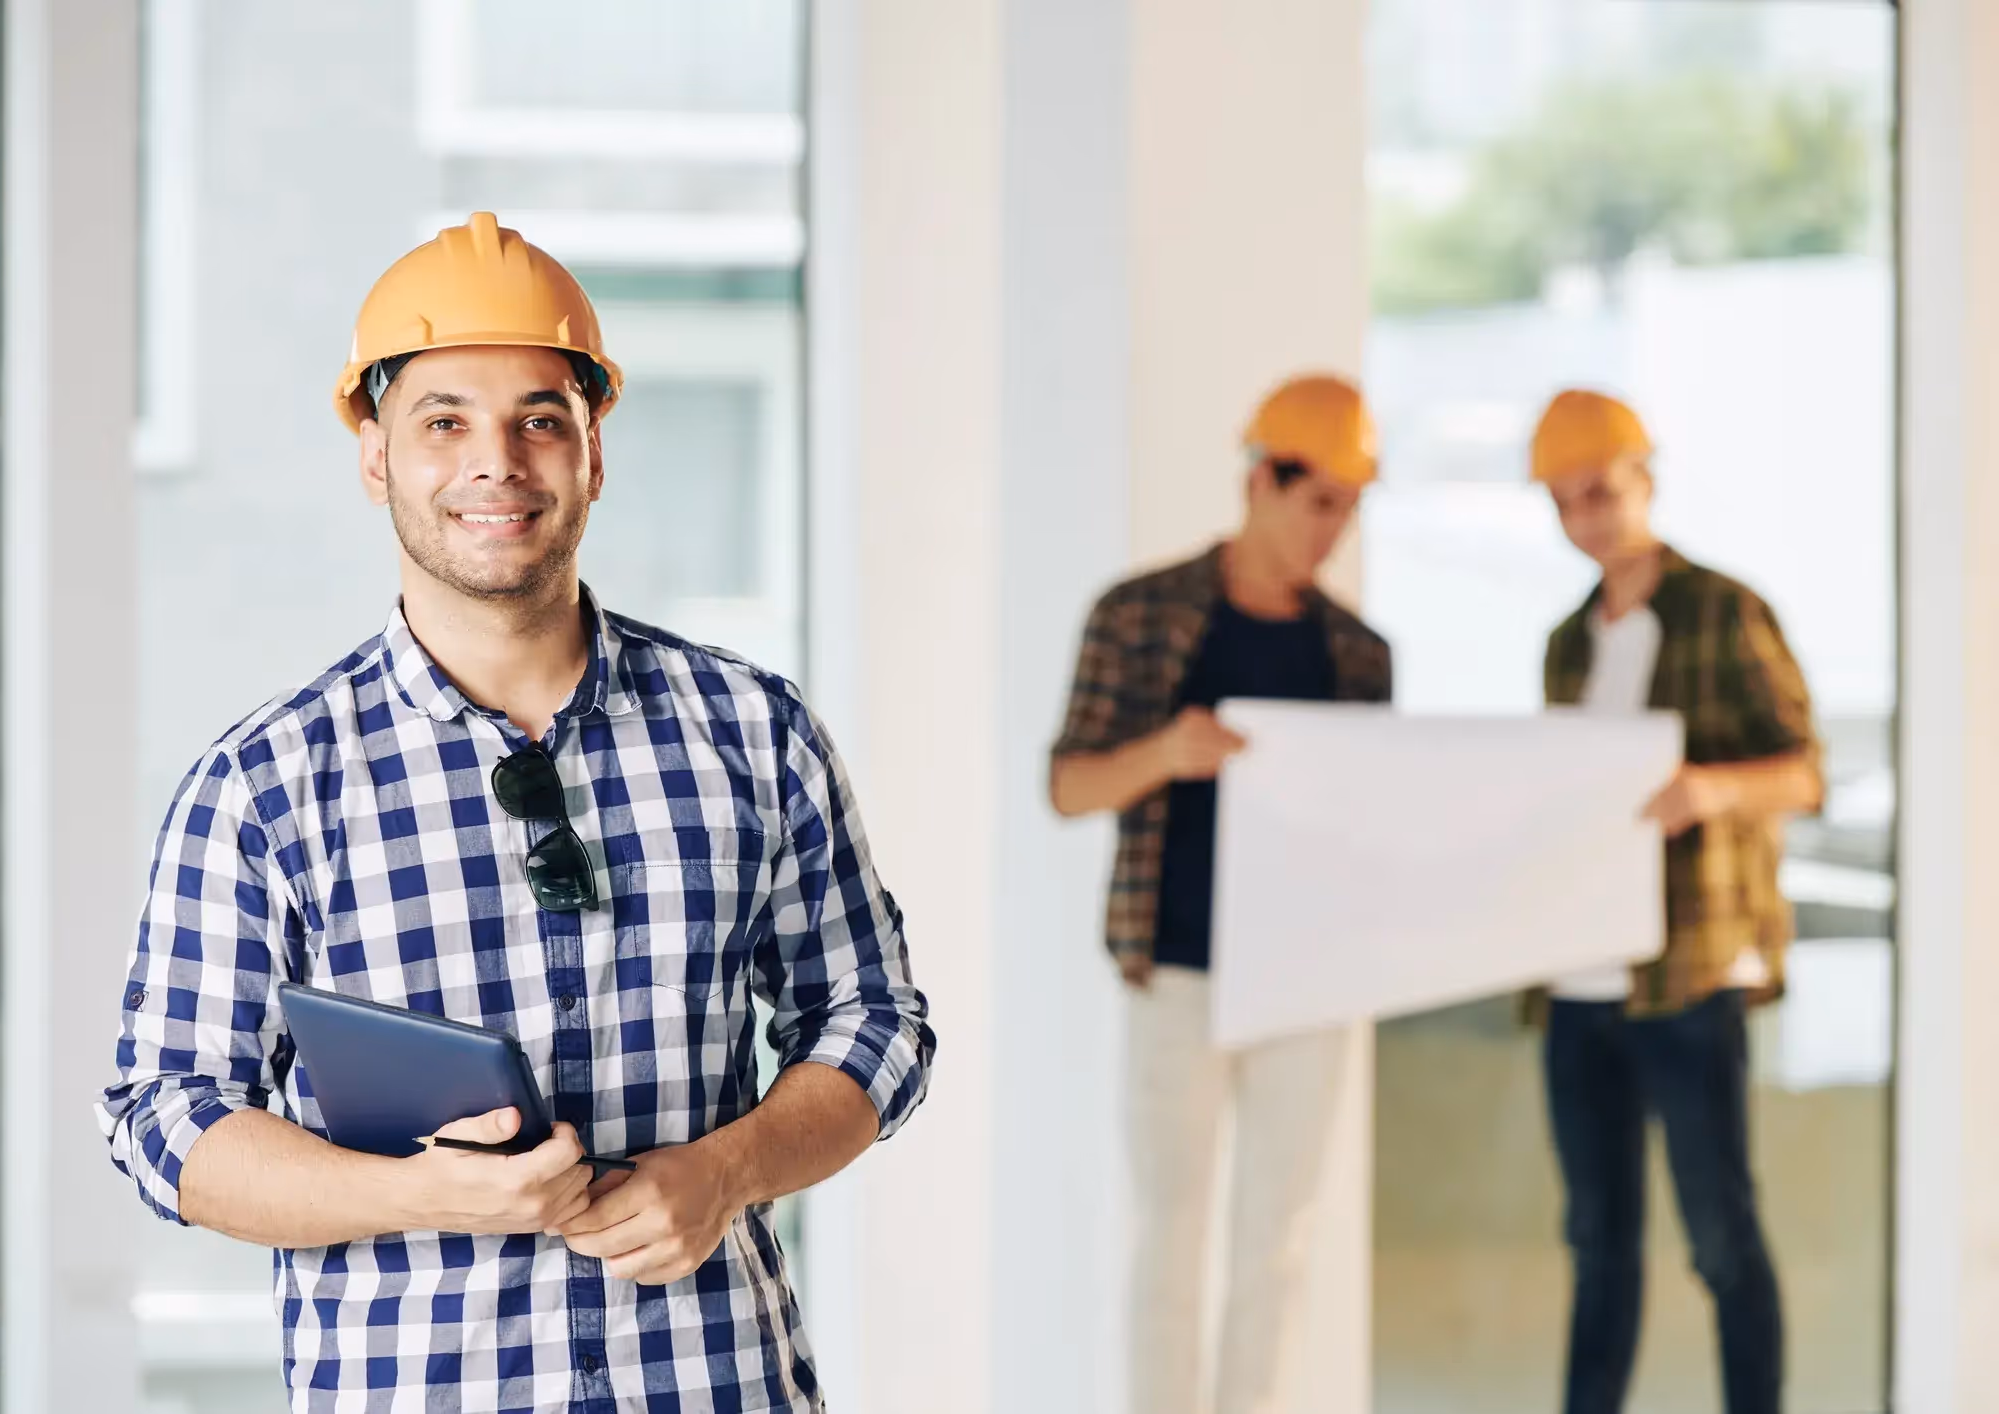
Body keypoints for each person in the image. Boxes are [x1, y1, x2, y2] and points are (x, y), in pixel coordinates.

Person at [96, 213, 934, 1412]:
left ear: (594, 451)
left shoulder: (754, 731)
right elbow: (164, 1115)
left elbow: (871, 1021)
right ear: (376, 457)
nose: (497, 461)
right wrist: (414, 1193)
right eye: (444, 421)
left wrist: (727, 1168)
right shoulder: (266, 786)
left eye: (540, 419)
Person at [1049, 375, 1392, 1414]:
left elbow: (1370, 829)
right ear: (1260, 480)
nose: (1332, 529)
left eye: (1348, 506)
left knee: (1277, 1242)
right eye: (1318, 501)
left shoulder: (1359, 653)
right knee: (1171, 1234)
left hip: (1309, 980)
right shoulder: (1139, 614)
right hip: (1178, 968)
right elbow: (1069, 786)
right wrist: (1168, 750)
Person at [1531, 389, 1823, 1414]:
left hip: (1690, 971)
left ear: (1644, 480)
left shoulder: (1723, 610)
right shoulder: (1566, 643)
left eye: (1600, 491)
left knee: (1719, 1235)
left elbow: (1804, 773)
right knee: (1597, 1242)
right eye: (1563, 500)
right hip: (1581, 979)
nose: (1585, 516)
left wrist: (1709, 790)